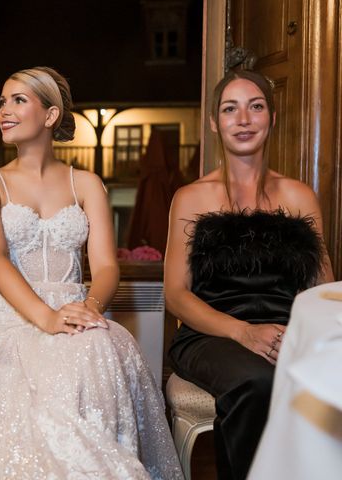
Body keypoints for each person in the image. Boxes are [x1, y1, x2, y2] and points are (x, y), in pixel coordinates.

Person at [0, 67, 182, 480]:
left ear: (50, 116)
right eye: (2, 101)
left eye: (18, 100)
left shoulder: (87, 183)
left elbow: (105, 266)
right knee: (29, 390)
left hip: (75, 307)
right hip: (11, 317)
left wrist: (89, 307)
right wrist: (46, 318)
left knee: (98, 346)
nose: (4, 111)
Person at [164, 69, 334, 480]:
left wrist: (302, 337)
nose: (243, 119)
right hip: (212, 334)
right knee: (259, 382)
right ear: (214, 122)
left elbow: (324, 286)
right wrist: (243, 332)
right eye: (230, 109)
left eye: (255, 107)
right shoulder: (190, 197)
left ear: (271, 118)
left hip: (288, 329)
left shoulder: (300, 195)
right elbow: (176, 295)